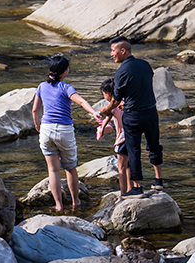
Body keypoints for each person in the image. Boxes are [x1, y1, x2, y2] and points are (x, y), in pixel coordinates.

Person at [32, 55, 102, 211]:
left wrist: (38, 124)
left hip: (46, 130)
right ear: (64, 72)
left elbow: (35, 110)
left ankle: (58, 205)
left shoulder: (42, 86)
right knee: (70, 168)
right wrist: (93, 112)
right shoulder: (66, 87)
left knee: (53, 170)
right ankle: (76, 202)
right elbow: (81, 101)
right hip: (64, 130)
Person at [100, 37, 163, 197]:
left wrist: (107, 109)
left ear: (123, 51)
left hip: (133, 116)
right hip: (151, 111)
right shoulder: (145, 65)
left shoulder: (121, 72)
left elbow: (116, 99)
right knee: (154, 145)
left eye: (113, 50)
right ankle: (158, 181)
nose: (111, 54)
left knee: (134, 151)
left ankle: (137, 187)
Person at [96, 78, 131, 198]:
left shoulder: (114, 106)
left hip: (122, 139)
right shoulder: (126, 102)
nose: (104, 96)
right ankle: (131, 189)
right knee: (129, 166)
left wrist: (102, 129)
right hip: (132, 138)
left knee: (121, 168)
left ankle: (123, 194)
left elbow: (108, 115)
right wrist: (103, 127)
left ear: (108, 93)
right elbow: (109, 118)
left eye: (104, 94)